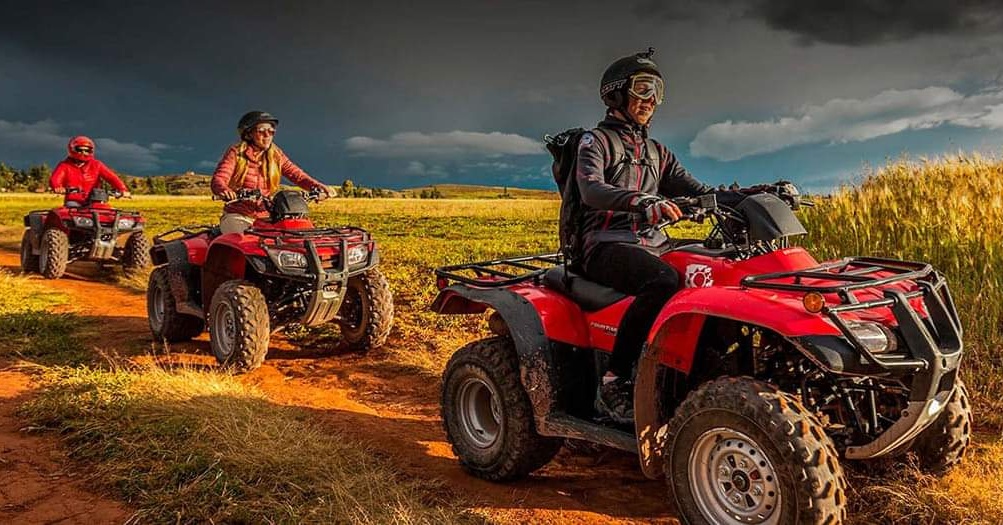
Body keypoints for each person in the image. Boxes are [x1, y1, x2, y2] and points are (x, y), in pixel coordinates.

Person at [575, 49, 734, 424]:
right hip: (604, 243)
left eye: (657, 92)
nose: (651, 100)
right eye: (643, 88)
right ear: (617, 93)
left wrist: (755, 194)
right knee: (662, 280)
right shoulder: (595, 142)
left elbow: (700, 191)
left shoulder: (657, 152)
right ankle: (614, 380)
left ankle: (696, 372)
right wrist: (642, 200)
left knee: (711, 270)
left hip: (650, 244)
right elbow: (591, 189)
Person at [211, 111, 329, 234]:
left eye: (271, 131)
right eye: (261, 131)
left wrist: (318, 187)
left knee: (299, 236)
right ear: (248, 134)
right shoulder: (236, 153)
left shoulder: (276, 155)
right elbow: (219, 178)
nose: (267, 135)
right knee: (243, 240)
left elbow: (297, 175)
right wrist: (224, 190)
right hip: (238, 215)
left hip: (268, 217)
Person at [49, 136, 131, 206]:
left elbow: (112, 177)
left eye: (87, 150)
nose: (83, 152)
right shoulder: (64, 165)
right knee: (71, 212)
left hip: (95, 198)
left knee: (106, 213)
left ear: (91, 151)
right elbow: (55, 179)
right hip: (74, 200)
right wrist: (57, 187)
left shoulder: (97, 164)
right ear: (72, 149)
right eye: (79, 150)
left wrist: (122, 189)